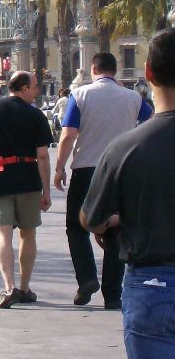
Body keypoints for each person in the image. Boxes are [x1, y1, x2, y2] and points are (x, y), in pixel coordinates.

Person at [81, 28, 175, 359]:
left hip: (153, 284)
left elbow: (91, 217)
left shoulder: (126, 147)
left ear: (148, 72)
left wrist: (113, 223)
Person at [56, 52, 153, 309]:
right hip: (122, 170)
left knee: (76, 226)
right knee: (116, 229)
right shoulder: (133, 97)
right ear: (115, 70)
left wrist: (59, 167)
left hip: (86, 169)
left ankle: (87, 278)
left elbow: (68, 135)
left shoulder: (80, 95)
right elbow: (152, 120)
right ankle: (112, 293)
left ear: (93, 69)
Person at [0, 71, 54, 308]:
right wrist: (46, 191)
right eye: (35, 86)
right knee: (28, 234)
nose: (37, 91)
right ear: (24, 88)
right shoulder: (35, 115)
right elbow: (42, 156)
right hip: (28, 179)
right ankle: (24, 288)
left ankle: (9, 288)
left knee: (3, 234)